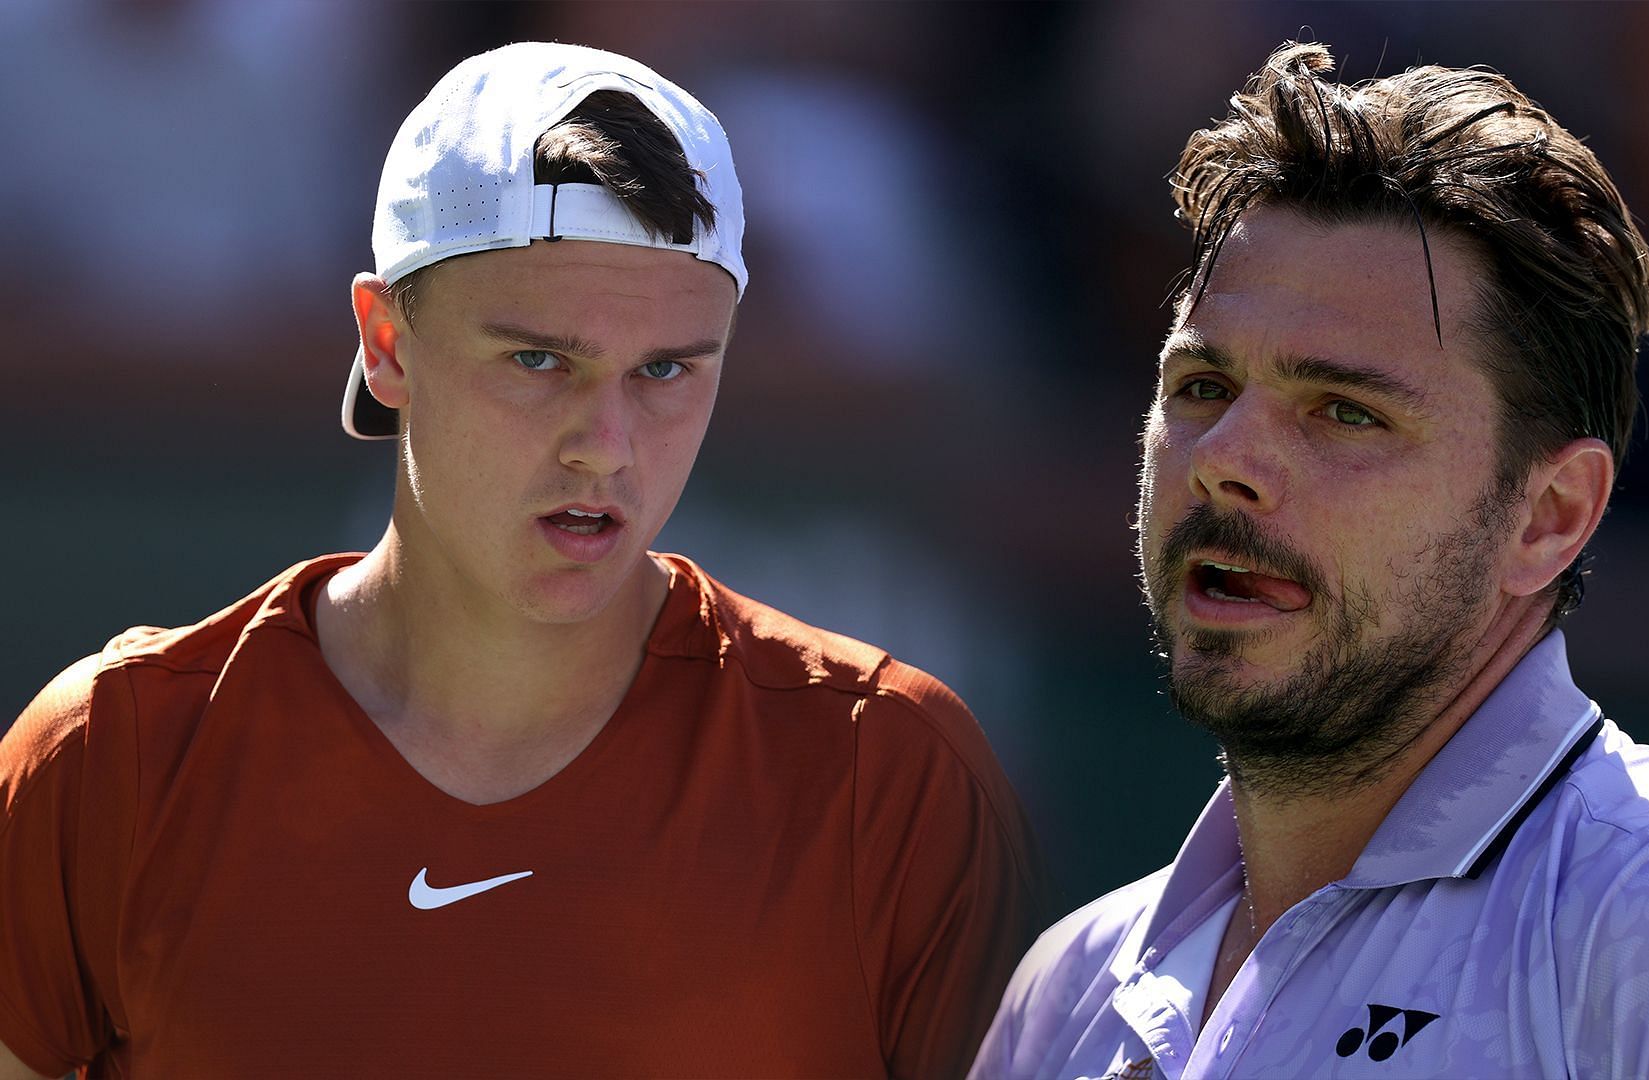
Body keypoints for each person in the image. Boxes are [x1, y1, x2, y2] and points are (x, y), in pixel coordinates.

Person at [0, 42, 1040, 1079]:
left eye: (668, 369)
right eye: (539, 360)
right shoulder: (107, 760)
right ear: (387, 344)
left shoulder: (890, 775)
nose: (608, 443)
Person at [971, 41, 1649, 1080]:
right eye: (1201, 388)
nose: (1227, 461)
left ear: (1551, 518)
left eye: (1344, 412)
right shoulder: (1066, 992)